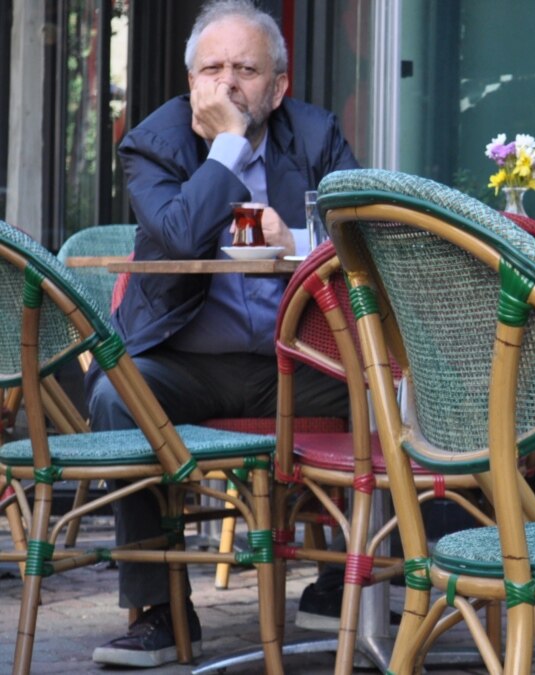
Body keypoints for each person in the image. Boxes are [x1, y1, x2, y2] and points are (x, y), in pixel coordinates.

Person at [86, 0, 358, 666]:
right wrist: (229, 147)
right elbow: (178, 233)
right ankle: (159, 610)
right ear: (190, 84)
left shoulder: (317, 135)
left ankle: (343, 581)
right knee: (119, 398)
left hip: (297, 361)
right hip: (188, 361)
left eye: (246, 68)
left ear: (279, 85)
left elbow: (363, 241)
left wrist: (291, 238)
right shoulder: (154, 141)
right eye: (212, 68)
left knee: (392, 393)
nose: (228, 83)